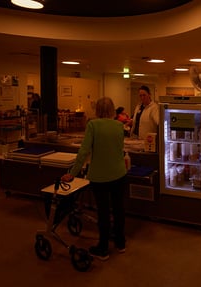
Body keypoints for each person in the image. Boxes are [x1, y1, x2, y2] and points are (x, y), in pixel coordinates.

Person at [61, 97, 127, 261]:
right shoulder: (119, 126)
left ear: (97, 110)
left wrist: (73, 173)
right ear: (112, 110)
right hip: (119, 174)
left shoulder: (92, 125)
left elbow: (84, 152)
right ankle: (120, 243)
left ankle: (103, 248)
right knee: (118, 210)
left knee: (103, 212)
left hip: (100, 176)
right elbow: (119, 150)